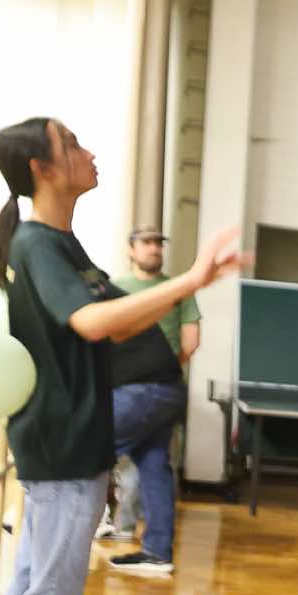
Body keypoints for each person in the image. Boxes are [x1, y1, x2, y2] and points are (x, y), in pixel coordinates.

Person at [0, 116, 238, 595]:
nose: (89, 152)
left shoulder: (61, 245)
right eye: (72, 145)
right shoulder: (38, 243)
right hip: (63, 441)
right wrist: (190, 279)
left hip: (66, 438)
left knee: (30, 592)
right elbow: (92, 322)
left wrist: (191, 283)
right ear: (42, 169)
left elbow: (121, 318)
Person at [98, 226, 200, 547]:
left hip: (143, 388)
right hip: (161, 388)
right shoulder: (118, 286)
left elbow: (191, 342)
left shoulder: (174, 289)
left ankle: (107, 526)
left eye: (158, 243)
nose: (154, 248)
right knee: (153, 464)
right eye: (147, 242)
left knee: (91, 453)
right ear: (131, 249)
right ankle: (155, 549)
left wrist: (152, 368)